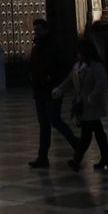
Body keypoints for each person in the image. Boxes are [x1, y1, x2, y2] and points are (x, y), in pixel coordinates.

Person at [53, 37, 108, 171]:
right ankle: (105, 157)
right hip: (82, 104)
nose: (77, 54)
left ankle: (77, 159)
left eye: (79, 51)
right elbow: (69, 80)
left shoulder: (96, 66)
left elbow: (101, 84)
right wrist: (59, 90)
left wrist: (92, 98)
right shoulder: (77, 66)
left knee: (87, 134)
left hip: (93, 105)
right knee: (98, 132)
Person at [27, 18, 78, 168]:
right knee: (44, 125)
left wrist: (56, 84)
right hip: (39, 91)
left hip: (52, 91)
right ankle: (42, 158)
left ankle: (77, 144)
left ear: (46, 30)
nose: (36, 32)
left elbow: (63, 67)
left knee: (55, 120)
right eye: (35, 30)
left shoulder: (54, 46)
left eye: (38, 30)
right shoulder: (36, 47)